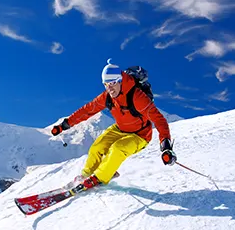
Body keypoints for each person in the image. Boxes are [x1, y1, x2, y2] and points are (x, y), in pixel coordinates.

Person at [51, 59, 177, 188]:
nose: (110, 88)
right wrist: (64, 125)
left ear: (120, 80)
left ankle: (99, 178)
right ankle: (86, 175)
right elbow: (87, 110)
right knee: (97, 147)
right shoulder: (107, 96)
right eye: (106, 84)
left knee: (117, 148)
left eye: (112, 83)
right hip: (119, 129)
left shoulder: (137, 97)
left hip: (140, 135)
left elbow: (159, 120)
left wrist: (166, 145)